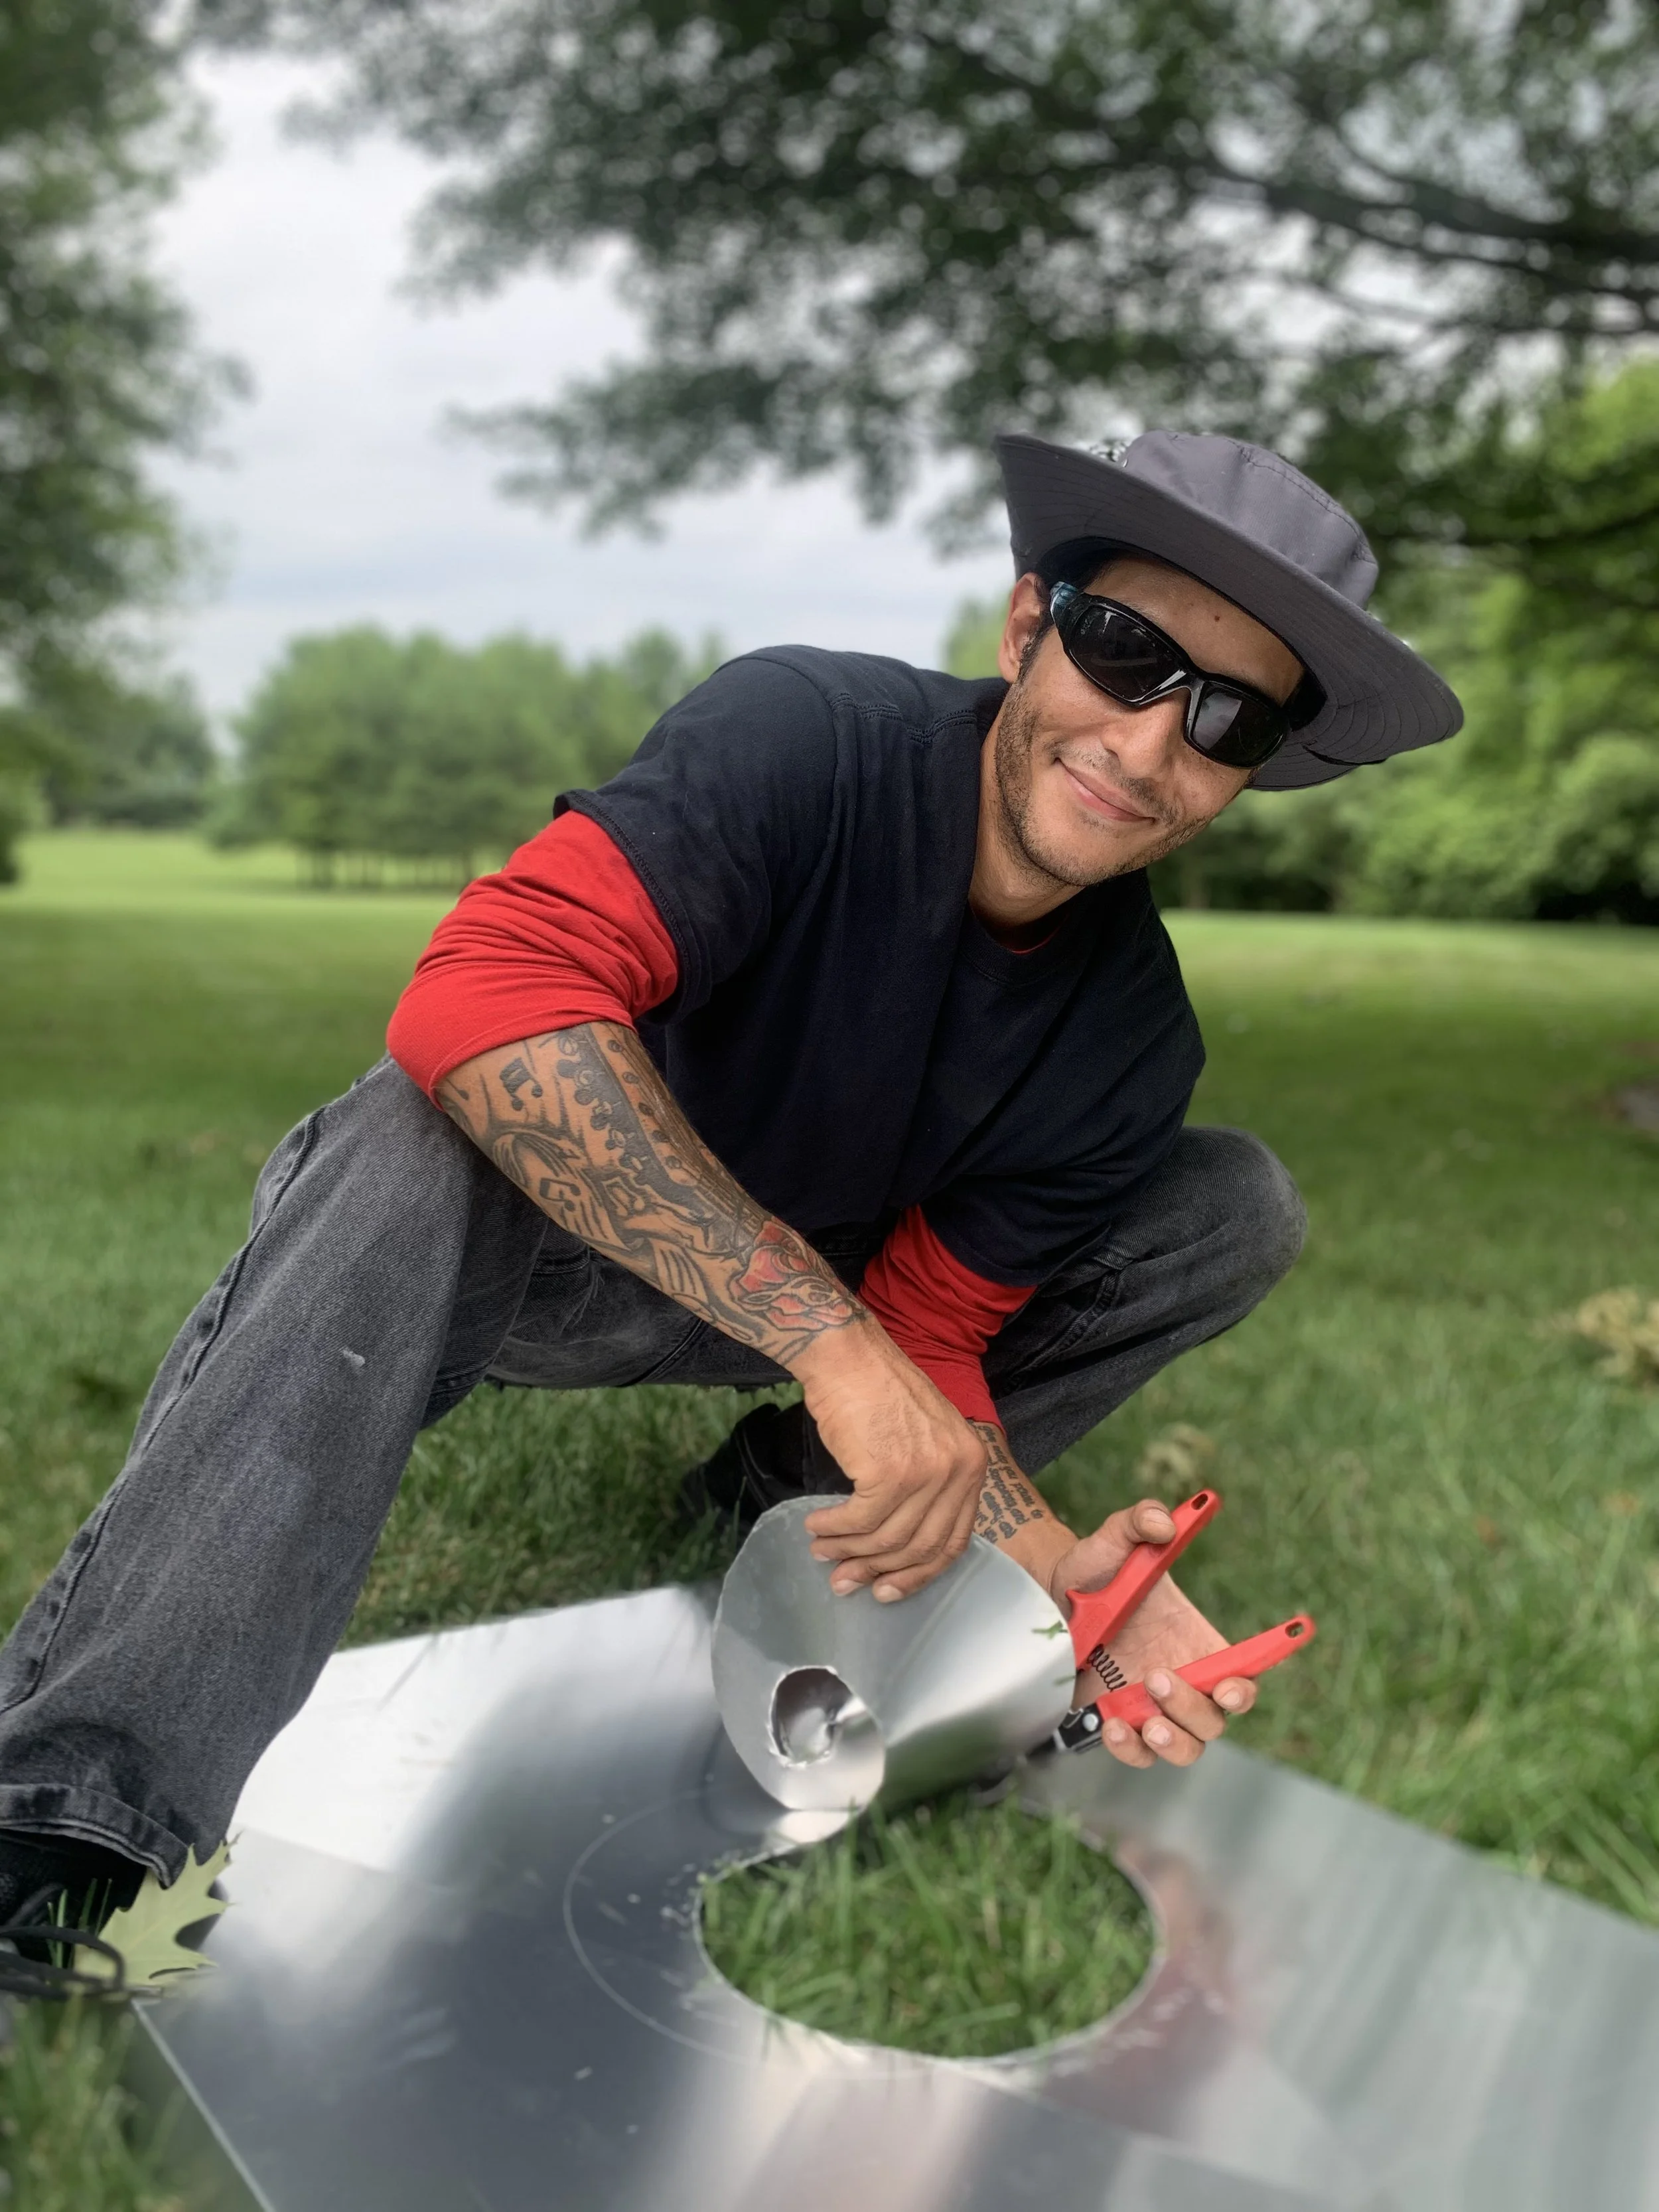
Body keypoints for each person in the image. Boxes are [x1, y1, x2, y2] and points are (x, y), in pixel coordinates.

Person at [0, 429, 1459, 1936]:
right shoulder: (805, 733)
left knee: (1231, 1201)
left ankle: (794, 1501)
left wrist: (1053, 1581)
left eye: (1223, 720)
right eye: (1124, 652)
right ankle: (81, 1802)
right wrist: (831, 1344)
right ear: (1029, 627)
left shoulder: (1129, 1036)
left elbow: (937, 1333)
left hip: (804, 1321)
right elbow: (480, 990)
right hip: (538, 1251)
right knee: (409, 1129)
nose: (1149, 744)